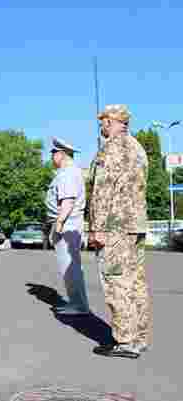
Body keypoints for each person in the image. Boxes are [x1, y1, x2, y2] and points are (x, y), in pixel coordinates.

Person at [89, 104, 152, 359]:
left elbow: (102, 190)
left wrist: (97, 228)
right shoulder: (137, 148)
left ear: (111, 121)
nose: (101, 127)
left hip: (115, 225)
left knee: (116, 281)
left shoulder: (111, 148)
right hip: (136, 223)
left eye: (103, 122)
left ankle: (125, 341)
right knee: (135, 281)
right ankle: (140, 336)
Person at [45, 137, 90, 316]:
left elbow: (68, 201)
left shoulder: (68, 173)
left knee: (70, 267)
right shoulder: (69, 172)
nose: (51, 157)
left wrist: (59, 223)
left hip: (67, 224)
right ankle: (77, 303)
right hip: (69, 223)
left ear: (62, 154)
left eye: (53, 153)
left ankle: (79, 305)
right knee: (70, 266)